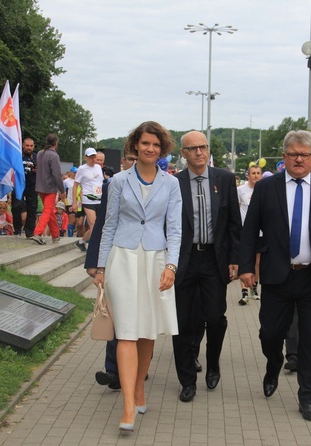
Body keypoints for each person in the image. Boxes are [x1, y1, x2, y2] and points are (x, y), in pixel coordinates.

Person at [240, 130, 311, 421]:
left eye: (305, 154)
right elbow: (250, 229)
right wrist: (245, 268)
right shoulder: (267, 188)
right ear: (284, 157)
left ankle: (308, 397)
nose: (299, 159)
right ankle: (274, 362)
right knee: (270, 333)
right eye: (293, 154)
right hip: (277, 275)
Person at [94, 121, 181, 431]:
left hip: (156, 259)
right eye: (145, 143)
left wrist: (171, 265)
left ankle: (140, 387)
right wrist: (101, 267)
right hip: (123, 258)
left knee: (147, 331)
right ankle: (128, 405)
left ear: (162, 149)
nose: (150, 149)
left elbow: (174, 227)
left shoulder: (171, 184)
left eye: (156, 145)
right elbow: (108, 225)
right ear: (135, 145)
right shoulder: (117, 181)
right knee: (127, 332)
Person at [173, 130, 241, 403]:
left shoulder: (224, 179)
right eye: (193, 148)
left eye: (203, 147)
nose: (199, 152)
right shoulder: (173, 183)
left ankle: (213, 364)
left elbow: (234, 222)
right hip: (184, 261)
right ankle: (187, 379)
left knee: (215, 317)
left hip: (215, 260)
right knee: (183, 322)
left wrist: (236, 259)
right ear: (183, 154)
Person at [86, 151, 137, 391]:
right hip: (116, 258)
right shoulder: (114, 184)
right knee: (115, 313)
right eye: (129, 158)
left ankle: (134, 366)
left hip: (144, 260)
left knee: (135, 319)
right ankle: (112, 370)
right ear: (123, 162)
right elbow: (103, 224)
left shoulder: (161, 185)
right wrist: (93, 261)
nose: (132, 163)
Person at [30, 134, 65, 244]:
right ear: (56, 144)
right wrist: (62, 190)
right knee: (47, 211)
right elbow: (57, 174)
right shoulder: (54, 156)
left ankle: (55, 234)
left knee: (49, 211)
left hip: (40, 186)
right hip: (50, 187)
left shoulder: (40, 153)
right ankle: (38, 233)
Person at [237, 164, 262, 305]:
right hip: (244, 232)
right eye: (253, 173)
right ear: (248, 175)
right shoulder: (241, 190)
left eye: (258, 173)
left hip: (260, 233)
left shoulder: (263, 189)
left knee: (257, 262)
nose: (256, 176)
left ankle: (254, 287)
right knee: (245, 260)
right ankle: (244, 291)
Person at [72, 148, 104, 251]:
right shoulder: (82, 169)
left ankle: (81, 242)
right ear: (86, 157)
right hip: (88, 199)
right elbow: (75, 185)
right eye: (90, 157)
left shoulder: (99, 167)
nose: (92, 159)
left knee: (99, 226)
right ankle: (95, 248)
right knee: (93, 225)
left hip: (99, 199)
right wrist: (74, 202)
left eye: (94, 156)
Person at [11, 138, 38, 238]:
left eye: (31, 146)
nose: (29, 148)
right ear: (23, 145)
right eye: (27, 146)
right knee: (16, 206)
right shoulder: (18, 156)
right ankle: (17, 229)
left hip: (32, 185)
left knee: (32, 208)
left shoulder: (36, 157)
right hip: (19, 185)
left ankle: (29, 231)